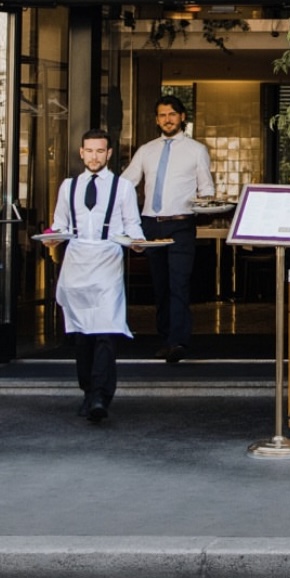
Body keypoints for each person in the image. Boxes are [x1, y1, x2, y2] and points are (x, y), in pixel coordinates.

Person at [51, 128, 145, 424]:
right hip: (77, 262)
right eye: (89, 151)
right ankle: (88, 390)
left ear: (109, 154)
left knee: (105, 329)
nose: (94, 156)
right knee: (82, 334)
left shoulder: (123, 187)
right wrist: (52, 238)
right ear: (81, 152)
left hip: (107, 261)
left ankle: (101, 396)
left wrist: (140, 243)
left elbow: (132, 223)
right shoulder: (68, 186)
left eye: (100, 151)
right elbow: (59, 224)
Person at [122, 95, 215, 364]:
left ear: (182, 117)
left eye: (172, 114)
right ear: (156, 119)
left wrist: (207, 204)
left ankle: (178, 342)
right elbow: (127, 183)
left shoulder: (196, 149)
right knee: (160, 285)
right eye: (162, 115)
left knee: (179, 283)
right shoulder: (146, 150)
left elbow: (206, 188)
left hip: (181, 224)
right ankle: (166, 338)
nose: (167, 119)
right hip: (151, 223)